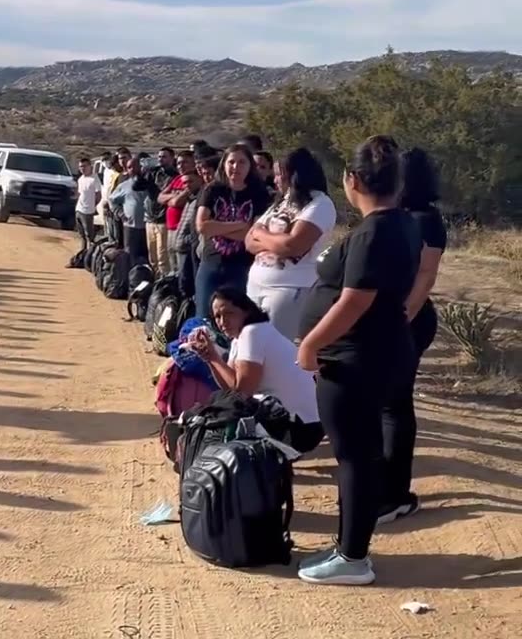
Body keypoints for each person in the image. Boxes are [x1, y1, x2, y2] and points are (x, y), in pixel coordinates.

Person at [296, 135, 421, 586]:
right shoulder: (402, 224)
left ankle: (352, 557)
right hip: (379, 351)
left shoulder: (373, 232)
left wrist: (309, 344)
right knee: (361, 455)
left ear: (351, 180)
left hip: (355, 359)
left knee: (354, 458)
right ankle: (350, 547)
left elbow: (353, 302)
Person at [382, 147, 447, 525]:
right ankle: (387, 485)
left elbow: (426, 276)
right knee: (386, 404)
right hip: (391, 319)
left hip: (409, 320)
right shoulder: (400, 216)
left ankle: (397, 495)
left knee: (395, 404)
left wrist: (401, 318)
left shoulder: (426, 220)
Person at [190, 286, 324, 454]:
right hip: (298, 423)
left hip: (300, 429)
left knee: (229, 415)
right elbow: (229, 390)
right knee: (220, 401)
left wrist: (215, 358)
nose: (222, 322)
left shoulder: (253, 332)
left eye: (229, 313)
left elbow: (242, 392)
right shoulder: (240, 338)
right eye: (217, 316)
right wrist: (210, 358)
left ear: (246, 310)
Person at [244, 148, 336, 341]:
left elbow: (293, 246)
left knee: (275, 350)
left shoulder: (319, 204)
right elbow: (249, 241)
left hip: (288, 291)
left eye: (279, 175)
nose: (275, 180)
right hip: (256, 286)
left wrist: (262, 234)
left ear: (293, 175)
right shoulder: (281, 202)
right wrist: (274, 240)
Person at [193, 144, 270, 322]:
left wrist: (218, 228)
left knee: (237, 319)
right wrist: (241, 225)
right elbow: (202, 227)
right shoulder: (212, 190)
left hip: (241, 267)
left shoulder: (259, 193)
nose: (236, 167)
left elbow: (254, 234)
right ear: (224, 165)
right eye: (231, 162)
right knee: (204, 318)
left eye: (242, 162)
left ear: (250, 166)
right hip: (211, 263)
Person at [174, 150, 219, 297]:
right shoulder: (199, 194)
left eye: (209, 173)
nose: (207, 177)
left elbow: (203, 226)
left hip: (208, 252)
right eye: (204, 173)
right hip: (193, 247)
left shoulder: (217, 195)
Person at [157, 150, 202, 276]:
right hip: (170, 228)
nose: (180, 166)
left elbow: (176, 202)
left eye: (185, 163)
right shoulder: (177, 179)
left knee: (183, 269)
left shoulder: (194, 180)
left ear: (194, 163)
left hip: (183, 230)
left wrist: (172, 198)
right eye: (178, 163)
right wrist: (173, 197)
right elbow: (160, 197)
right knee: (172, 265)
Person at [109, 152, 150, 263]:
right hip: (131, 227)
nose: (132, 169)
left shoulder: (151, 183)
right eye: (129, 167)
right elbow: (112, 200)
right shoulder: (124, 185)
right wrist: (120, 213)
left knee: (150, 257)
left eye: (134, 166)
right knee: (130, 256)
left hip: (149, 227)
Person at [144, 147, 178, 275]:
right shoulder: (153, 173)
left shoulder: (175, 176)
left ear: (171, 158)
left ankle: (164, 283)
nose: (161, 159)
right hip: (150, 218)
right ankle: (155, 283)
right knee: (152, 257)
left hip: (163, 220)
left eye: (164, 157)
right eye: (159, 157)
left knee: (163, 257)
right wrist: (143, 173)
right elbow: (139, 186)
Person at [73, 157, 101, 256]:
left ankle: (90, 255)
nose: (82, 169)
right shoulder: (81, 179)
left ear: (90, 166)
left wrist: (93, 206)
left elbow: (98, 195)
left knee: (89, 235)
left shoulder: (94, 179)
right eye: (81, 167)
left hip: (88, 211)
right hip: (79, 210)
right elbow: (80, 194)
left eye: (84, 166)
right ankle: (83, 254)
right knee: (82, 235)